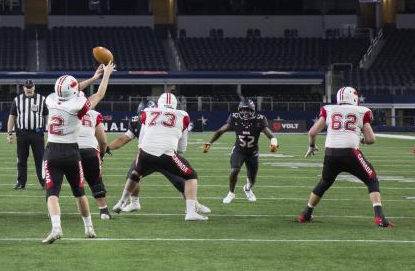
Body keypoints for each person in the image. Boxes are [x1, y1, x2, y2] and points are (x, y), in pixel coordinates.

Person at [298, 86, 392, 227]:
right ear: (353, 97)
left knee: (324, 183)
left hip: (330, 153)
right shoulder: (362, 111)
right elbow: (371, 139)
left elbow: (311, 133)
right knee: (372, 179)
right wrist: (362, 140)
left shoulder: (329, 109)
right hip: (350, 153)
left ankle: (306, 214)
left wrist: (312, 146)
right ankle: (379, 217)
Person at [41, 63, 114, 244]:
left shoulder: (50, 100)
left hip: (52, 152)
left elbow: (72, 90)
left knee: (52, 194)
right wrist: (105, 76)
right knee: (79, 193)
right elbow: (99, 95)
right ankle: (89, 228)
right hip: (72, 152)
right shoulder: (78, 106)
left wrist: (92, 78)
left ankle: (56, 228)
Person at [113, 92, 206, 222]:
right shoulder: (183, 115)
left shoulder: (147, 112)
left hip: (145, 152)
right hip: (167, 154)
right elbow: (182, 148)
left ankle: (121, 203)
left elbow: (143, 137)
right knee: (191, 176)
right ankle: (191, 211)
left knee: (134, 174)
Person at [203, 98, 278, 203]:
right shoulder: (234, 118)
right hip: (239, 150)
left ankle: (247, 188)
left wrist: (274, 144)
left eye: (248, 110)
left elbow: (271, 135)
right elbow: (220, 131)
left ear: (253, 110)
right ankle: (231, 193)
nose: (245, 112)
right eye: (243, 110)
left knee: (252, 179)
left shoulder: (259, 119)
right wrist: (209, 142)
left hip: (253, 153)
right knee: (234, 170)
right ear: (239, 110)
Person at [7, 79, 45, 189]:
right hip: (22, 133)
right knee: (21, 159)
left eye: (30, 87)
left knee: (40, 159)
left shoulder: (41, 99)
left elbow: (47, 116)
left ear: (34, 87)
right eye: (26, 87)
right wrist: (10, 133)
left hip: (37, 133)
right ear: (23, 88)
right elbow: (12, 117)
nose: (28, 89)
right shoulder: (17, 100)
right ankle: (21, 183)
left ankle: (44, 182)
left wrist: (50, 131)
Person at [77, 104, 111, 219]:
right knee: (96, 181)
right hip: (89, 150)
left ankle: (53, 211)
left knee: (59, 181)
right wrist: (101, 155)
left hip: (69, 150)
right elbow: (103, 141)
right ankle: (104, 211)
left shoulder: (65, 111)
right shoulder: (94, 114)